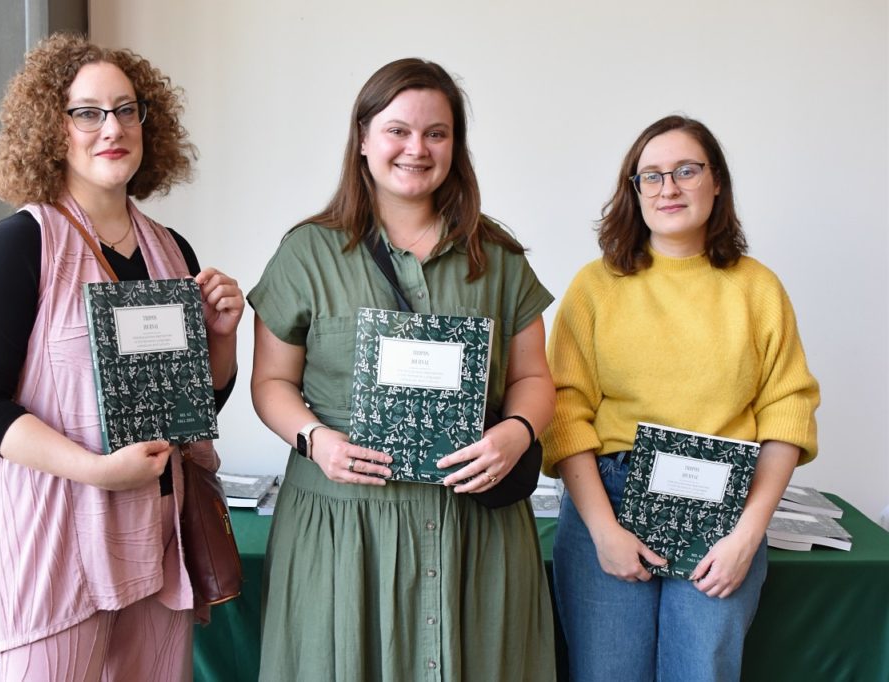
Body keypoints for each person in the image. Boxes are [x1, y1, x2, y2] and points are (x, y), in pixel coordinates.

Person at [248, 57, 557, 681]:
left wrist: (516, 432)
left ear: (455, 146)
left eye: (436, 133)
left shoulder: (499, 259)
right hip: (342, 529)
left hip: (475, 529)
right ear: (363, 139)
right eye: (398, 130)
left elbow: (533, 378)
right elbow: (270, 383)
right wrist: (315, 440)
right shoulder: (306, 253)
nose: (416, 148)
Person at [0, 33, 244, 680]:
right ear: (52, 130)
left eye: (126, 109)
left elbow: (198, 405)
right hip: (58, 543)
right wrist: (96, 470)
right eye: (87, 112)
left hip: (158, 543)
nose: (112, 128)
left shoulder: (173, 250)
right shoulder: (22, 246)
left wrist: (222, 337)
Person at [542, 115, 820, 682]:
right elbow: (566, 413)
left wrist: (746, 536)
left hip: (723, 509)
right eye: (651, 176)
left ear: (716, 182)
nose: (668, 188)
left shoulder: (757, 288)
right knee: (607, 673)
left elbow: (786, 415)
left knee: (701, 672)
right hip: (610, 499)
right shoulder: (594, 288)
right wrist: (602, 530)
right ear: (634, 191)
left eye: (686, 171)